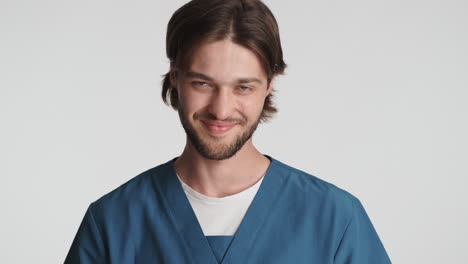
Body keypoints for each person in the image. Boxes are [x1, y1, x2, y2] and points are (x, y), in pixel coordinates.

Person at [65, 0, 392, 263]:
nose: (221, 109)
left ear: (269, 85)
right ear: (175, 77)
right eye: (203, 83)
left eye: (243, 87)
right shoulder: (113, 222)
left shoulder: (334, 220)